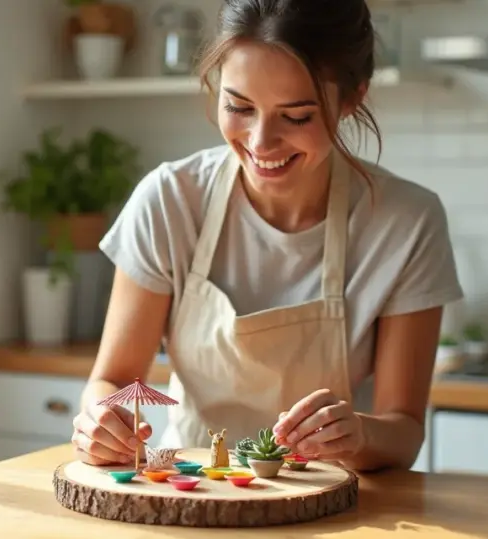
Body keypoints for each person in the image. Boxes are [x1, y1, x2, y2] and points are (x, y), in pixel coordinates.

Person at [70, 0, 463, 472]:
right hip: (194, 494)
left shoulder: (406, 222)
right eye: (238, 106)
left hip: (334, 508)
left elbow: (402, 431)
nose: (259, 143)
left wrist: (358, 435)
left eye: (296, 117)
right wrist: (99, 420)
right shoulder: (170, 201)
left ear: (353, 97)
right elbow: (111, 380)